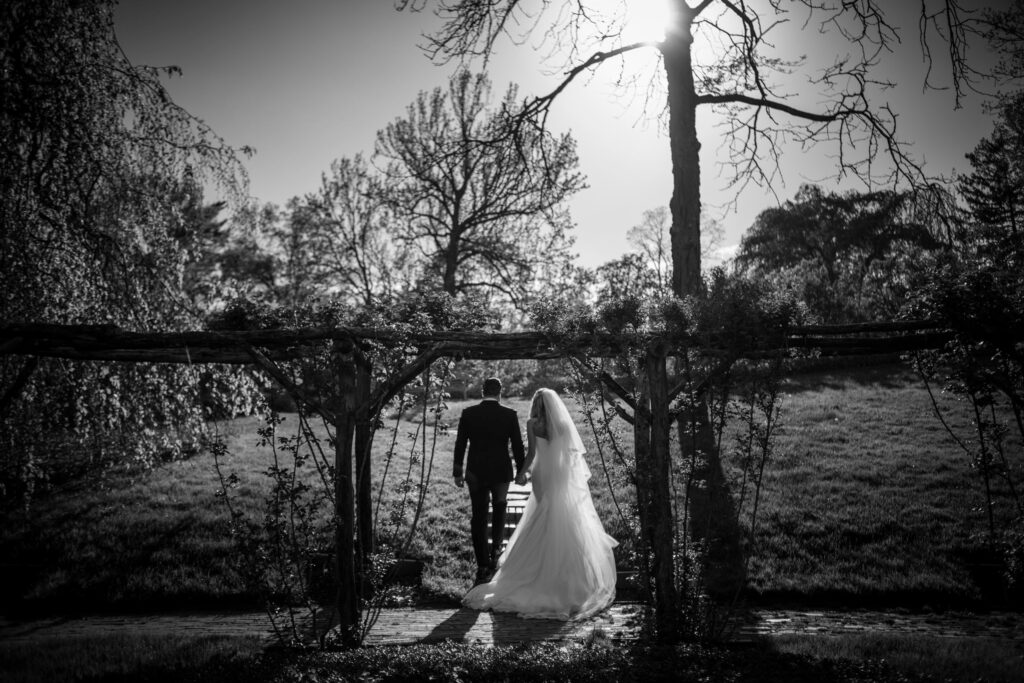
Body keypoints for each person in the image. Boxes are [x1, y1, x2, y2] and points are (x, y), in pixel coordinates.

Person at [463, 388, 618, 620]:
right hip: (561, 476)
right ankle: (570, 581)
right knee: (563, 518)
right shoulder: (564, 425)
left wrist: (521, 474)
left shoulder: (532, 423)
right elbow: (571, 455)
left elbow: (532, 453)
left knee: (540, 515)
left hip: (542, 475)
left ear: (536, 404)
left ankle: (534, 572)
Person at [453, 377, 526, 585]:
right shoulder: (509, 415)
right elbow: (518, 445)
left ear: (482, 391)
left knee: (479, 515)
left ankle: (483, 565)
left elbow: (460, 443)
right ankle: (496, 553)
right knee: (501, 507)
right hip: (501, 471)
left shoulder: (469, 413)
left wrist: (457, 471)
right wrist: (521, 472)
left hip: (475, 472)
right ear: (500, 392)